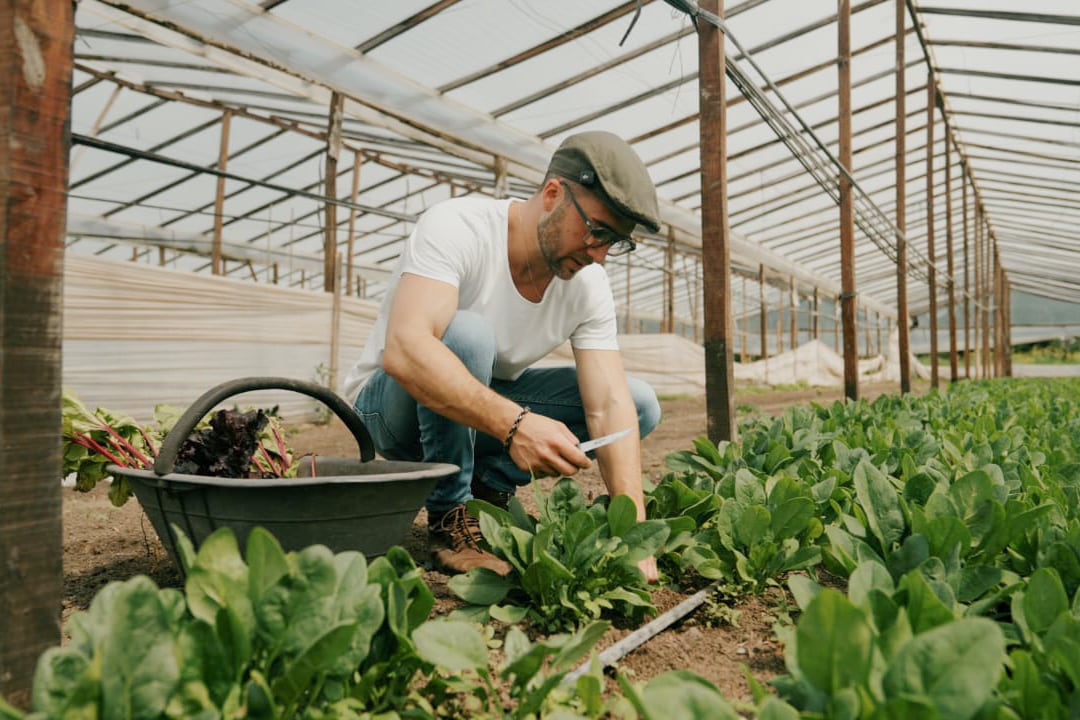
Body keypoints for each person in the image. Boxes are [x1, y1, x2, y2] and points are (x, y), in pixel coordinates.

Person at [343, 131, 662, 579]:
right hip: (390, 411)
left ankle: (487, 494)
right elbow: (406, 349)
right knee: (467, 334)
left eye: (616, 242)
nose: (600, 255)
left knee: (637, 403)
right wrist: (515, 426)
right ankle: (451, 516)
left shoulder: (588, 286)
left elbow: (609, 404)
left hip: (474, 410)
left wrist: (634, 537)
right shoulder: (459, 226)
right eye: (596, 232)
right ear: (553, 194)